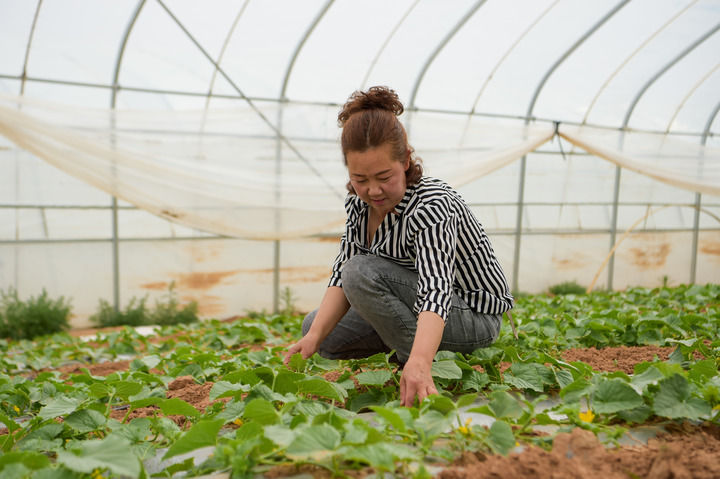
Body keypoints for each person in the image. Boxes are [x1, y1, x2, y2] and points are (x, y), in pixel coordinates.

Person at [283, 86, 513, 407]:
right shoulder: (358, 206)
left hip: (470, 316)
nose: (373, 190)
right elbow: (340, 274)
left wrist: (419, 360)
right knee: (317, 326)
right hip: (413, 306)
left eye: (383, 176)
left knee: (361, 271)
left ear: (405, 161)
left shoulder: (431, 204)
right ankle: (414, 350)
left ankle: (418, 363)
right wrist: (313, 338)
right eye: (360, 179)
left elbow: (436, 290)